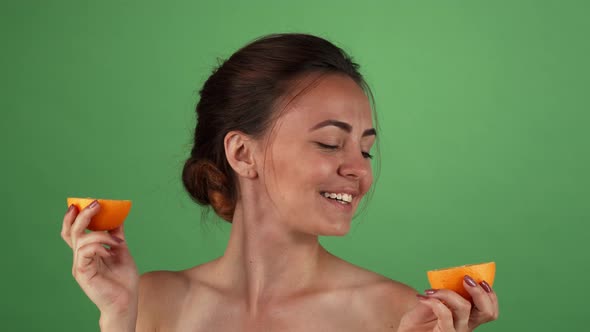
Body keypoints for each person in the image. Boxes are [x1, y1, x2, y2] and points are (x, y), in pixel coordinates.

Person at [61, 33, 499, 331]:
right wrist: (119, 317)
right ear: (242, 154)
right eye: (330, 143)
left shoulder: (397, 314)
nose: (360, 170)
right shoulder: (150, 302)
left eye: (365, 149)